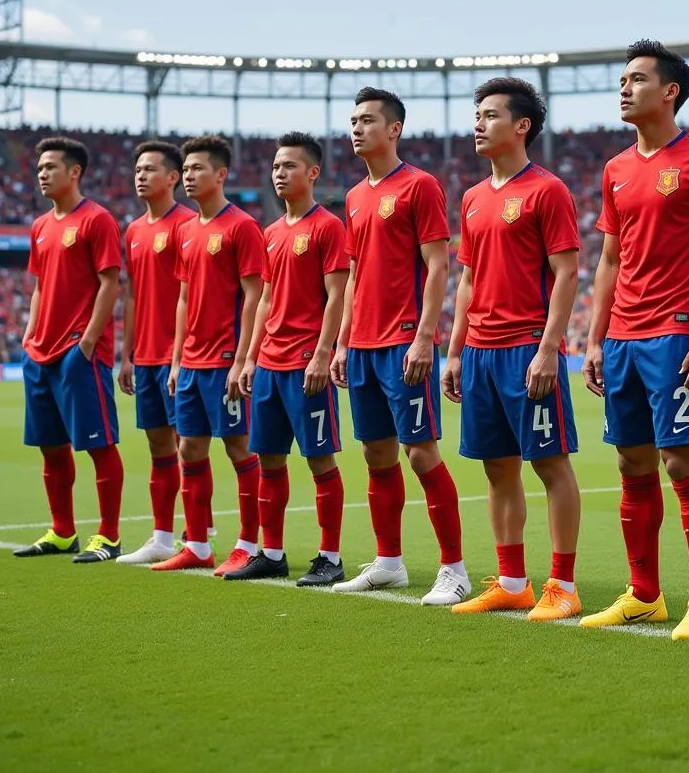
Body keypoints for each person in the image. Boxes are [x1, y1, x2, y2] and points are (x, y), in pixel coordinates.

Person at [578, 41, 689, 639]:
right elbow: (609, 262)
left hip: (677, 334)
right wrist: (594, 338)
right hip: (623, 336)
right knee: (631, 462)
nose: (624, 88)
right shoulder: (616, 170)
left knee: (680, 460)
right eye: (622, 79)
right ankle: (644, 593)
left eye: (637, 79)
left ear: (669, 90)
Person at [442, 77, 583, 621]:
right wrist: (455, 351)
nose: (478, 123)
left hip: (527, 348)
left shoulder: (547, 190)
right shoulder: (474, 199)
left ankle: (563, 585)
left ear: (521, 126)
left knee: (550, 465)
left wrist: (549, 349)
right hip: (479, 352)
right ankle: (511, 581)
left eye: (490, 115)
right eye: (477, 114)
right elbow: (468, 282)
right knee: (496, 470)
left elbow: (567, 273)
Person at [330, 87, 470, 605]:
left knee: (420, 453)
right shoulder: (352, 196)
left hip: (402, 342)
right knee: (375, 455)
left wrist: (424, 338)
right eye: (353, 120)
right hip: (362, 343)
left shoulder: (420, 186)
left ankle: (454, 570)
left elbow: (439, 266)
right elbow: (354, 274)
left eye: (367, 120)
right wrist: (343, 343)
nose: (357, 128)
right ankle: (389, 562)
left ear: (394, 129)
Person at [228, 133, 349, 585]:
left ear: (312, 173)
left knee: (320, 462)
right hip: (269, 366)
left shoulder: (327, 227)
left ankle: (330, 557)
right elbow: (264, 300)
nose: (280, 174)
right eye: (276, 167)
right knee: (270, 459)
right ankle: (272, 553)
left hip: (305, 365)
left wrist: (323, 352)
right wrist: (248, 359)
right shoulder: (271, 233)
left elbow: (337, 295)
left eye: (290, 167)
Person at [150, 136, 264, 576]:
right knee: (189, 449)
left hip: (224, 361)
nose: (191, 176)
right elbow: (183, 298)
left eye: (198, 168)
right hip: (192, 363)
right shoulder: (185, 230)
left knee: (240, 450)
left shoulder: (242, 227)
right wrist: (177, 360)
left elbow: (255, 296)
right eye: (187, 168)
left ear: (221, 174)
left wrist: (242, 358)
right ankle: (196, 544)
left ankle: (249, 544)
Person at [13, 136, 125, 563]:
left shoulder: (97, 220)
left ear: (74, 172)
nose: (42, 173)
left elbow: (110, 283)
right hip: (39, 351)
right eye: (39, 167)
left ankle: (109, 537)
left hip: (78, 353)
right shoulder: (41, 226)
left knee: (98, 445)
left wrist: (88, 343)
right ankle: (62, 532)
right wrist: (28, 335)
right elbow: (40, 285)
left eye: (50, 167)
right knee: (51, 446)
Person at [116, 141, 191, 565]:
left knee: (188, 447)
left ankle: (195, 531)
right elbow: (132, 295)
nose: (140, 176)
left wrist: (182, 353)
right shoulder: (133, 230)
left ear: (173, 177)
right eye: (137, 169)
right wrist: (126, 355)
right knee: (158, 446)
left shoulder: (186, 224)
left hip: (178, 354)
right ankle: (162, 535)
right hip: (144, 355)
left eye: (149, 169)